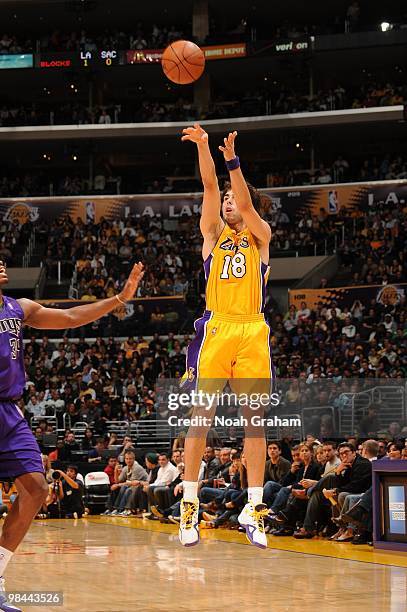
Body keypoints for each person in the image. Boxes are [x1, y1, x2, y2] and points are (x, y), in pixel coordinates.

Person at [0, 259, 144, 612]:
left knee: (36, 489)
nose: (2, 264)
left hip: (8, 411)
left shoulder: (17, 308)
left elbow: (69, 318)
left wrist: (119, 299)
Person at [179, 125, 273, 548]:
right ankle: (190, 504)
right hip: (217, 328)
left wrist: (234, 161)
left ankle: (254, 507)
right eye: (228, 201)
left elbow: (244, 198)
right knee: (202, 418)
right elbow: (209, 184)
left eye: (236, 199)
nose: (230, 202)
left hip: (253, 328)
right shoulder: (213, 235)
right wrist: (204, 148)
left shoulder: (260, 237)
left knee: (255, 421)